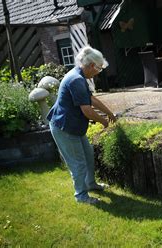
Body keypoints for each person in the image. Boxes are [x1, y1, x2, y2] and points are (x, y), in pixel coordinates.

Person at [47, 46, 117, 204]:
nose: (99, 71)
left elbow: (91, 99)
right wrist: (103, 121)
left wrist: (110, 113)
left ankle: (90, 184)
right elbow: (86, 110)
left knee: (88, 154)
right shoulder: (76, 80)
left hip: (73, 127)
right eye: (99, 68)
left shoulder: (79, 76)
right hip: (64, 128)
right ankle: (81, 196)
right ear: (92, 66)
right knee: (78, 163)